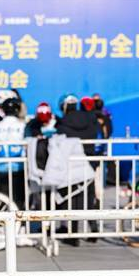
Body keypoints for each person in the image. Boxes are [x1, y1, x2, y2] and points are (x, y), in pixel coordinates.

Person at [55, 93, 100, 245]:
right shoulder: (90, 119)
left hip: (72, 166)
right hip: (89, 164)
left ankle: (73, 235)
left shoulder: (62, 125)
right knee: (89, 199)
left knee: (72, 199)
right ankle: (94, 230)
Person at [0, 97, 27, 208]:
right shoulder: (23, 126)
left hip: (0, 167)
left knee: (3, 200)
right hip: (18, 167)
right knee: (18, 200)